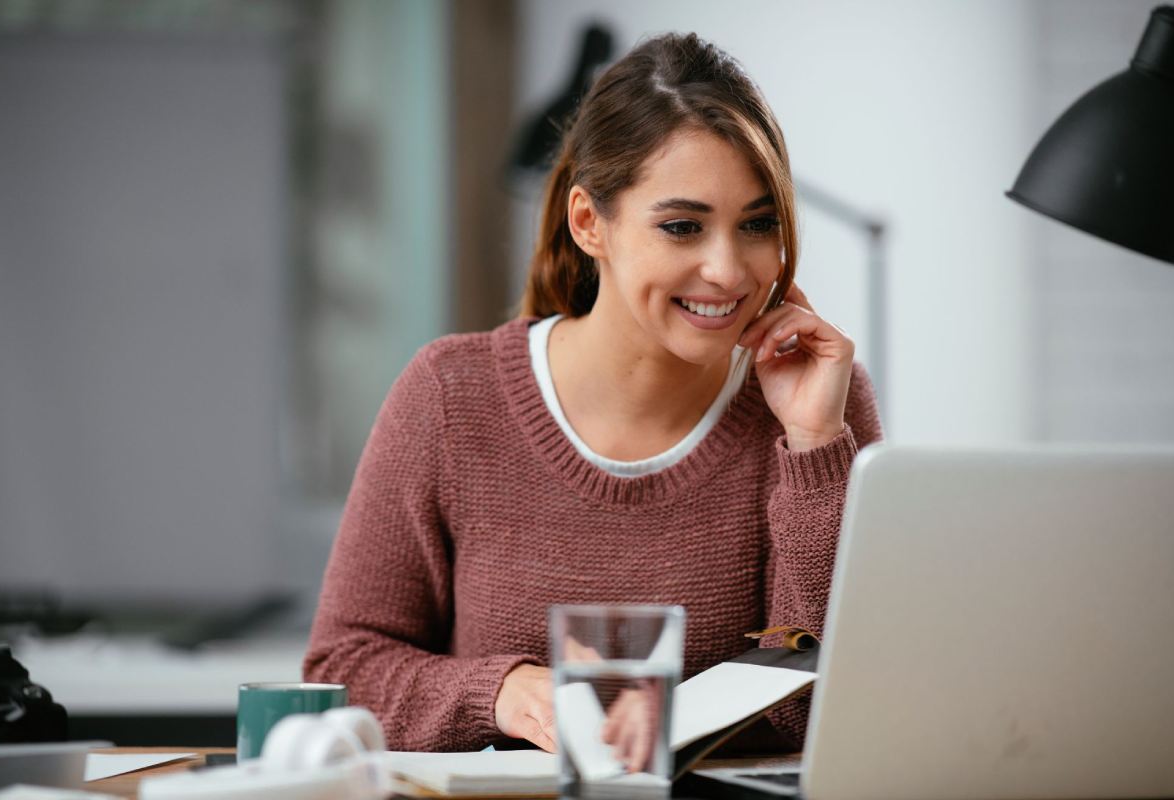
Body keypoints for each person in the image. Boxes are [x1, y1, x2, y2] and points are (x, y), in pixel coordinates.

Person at [303, 31, 883, 763]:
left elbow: (841, 714)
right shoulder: (452, 395)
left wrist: (812, 448)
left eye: (758, 225)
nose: (729, 269)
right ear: (589, 224)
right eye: (682, 226)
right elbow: (341, 671)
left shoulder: (825, 410)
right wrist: (503, 692)